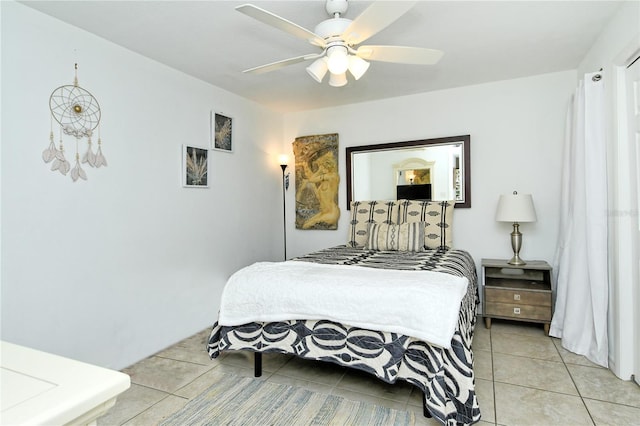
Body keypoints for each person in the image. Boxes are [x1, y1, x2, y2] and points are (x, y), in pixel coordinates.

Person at [296, 151, 340, 229]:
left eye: (321, 166)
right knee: (304, 225)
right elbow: (311, 179)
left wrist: (319, 170)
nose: (321, 168)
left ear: (328, 166)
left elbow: (311, 179)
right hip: (324, 212)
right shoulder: (326, 179)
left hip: (331, 213)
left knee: (306, 226)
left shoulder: (332, 177)